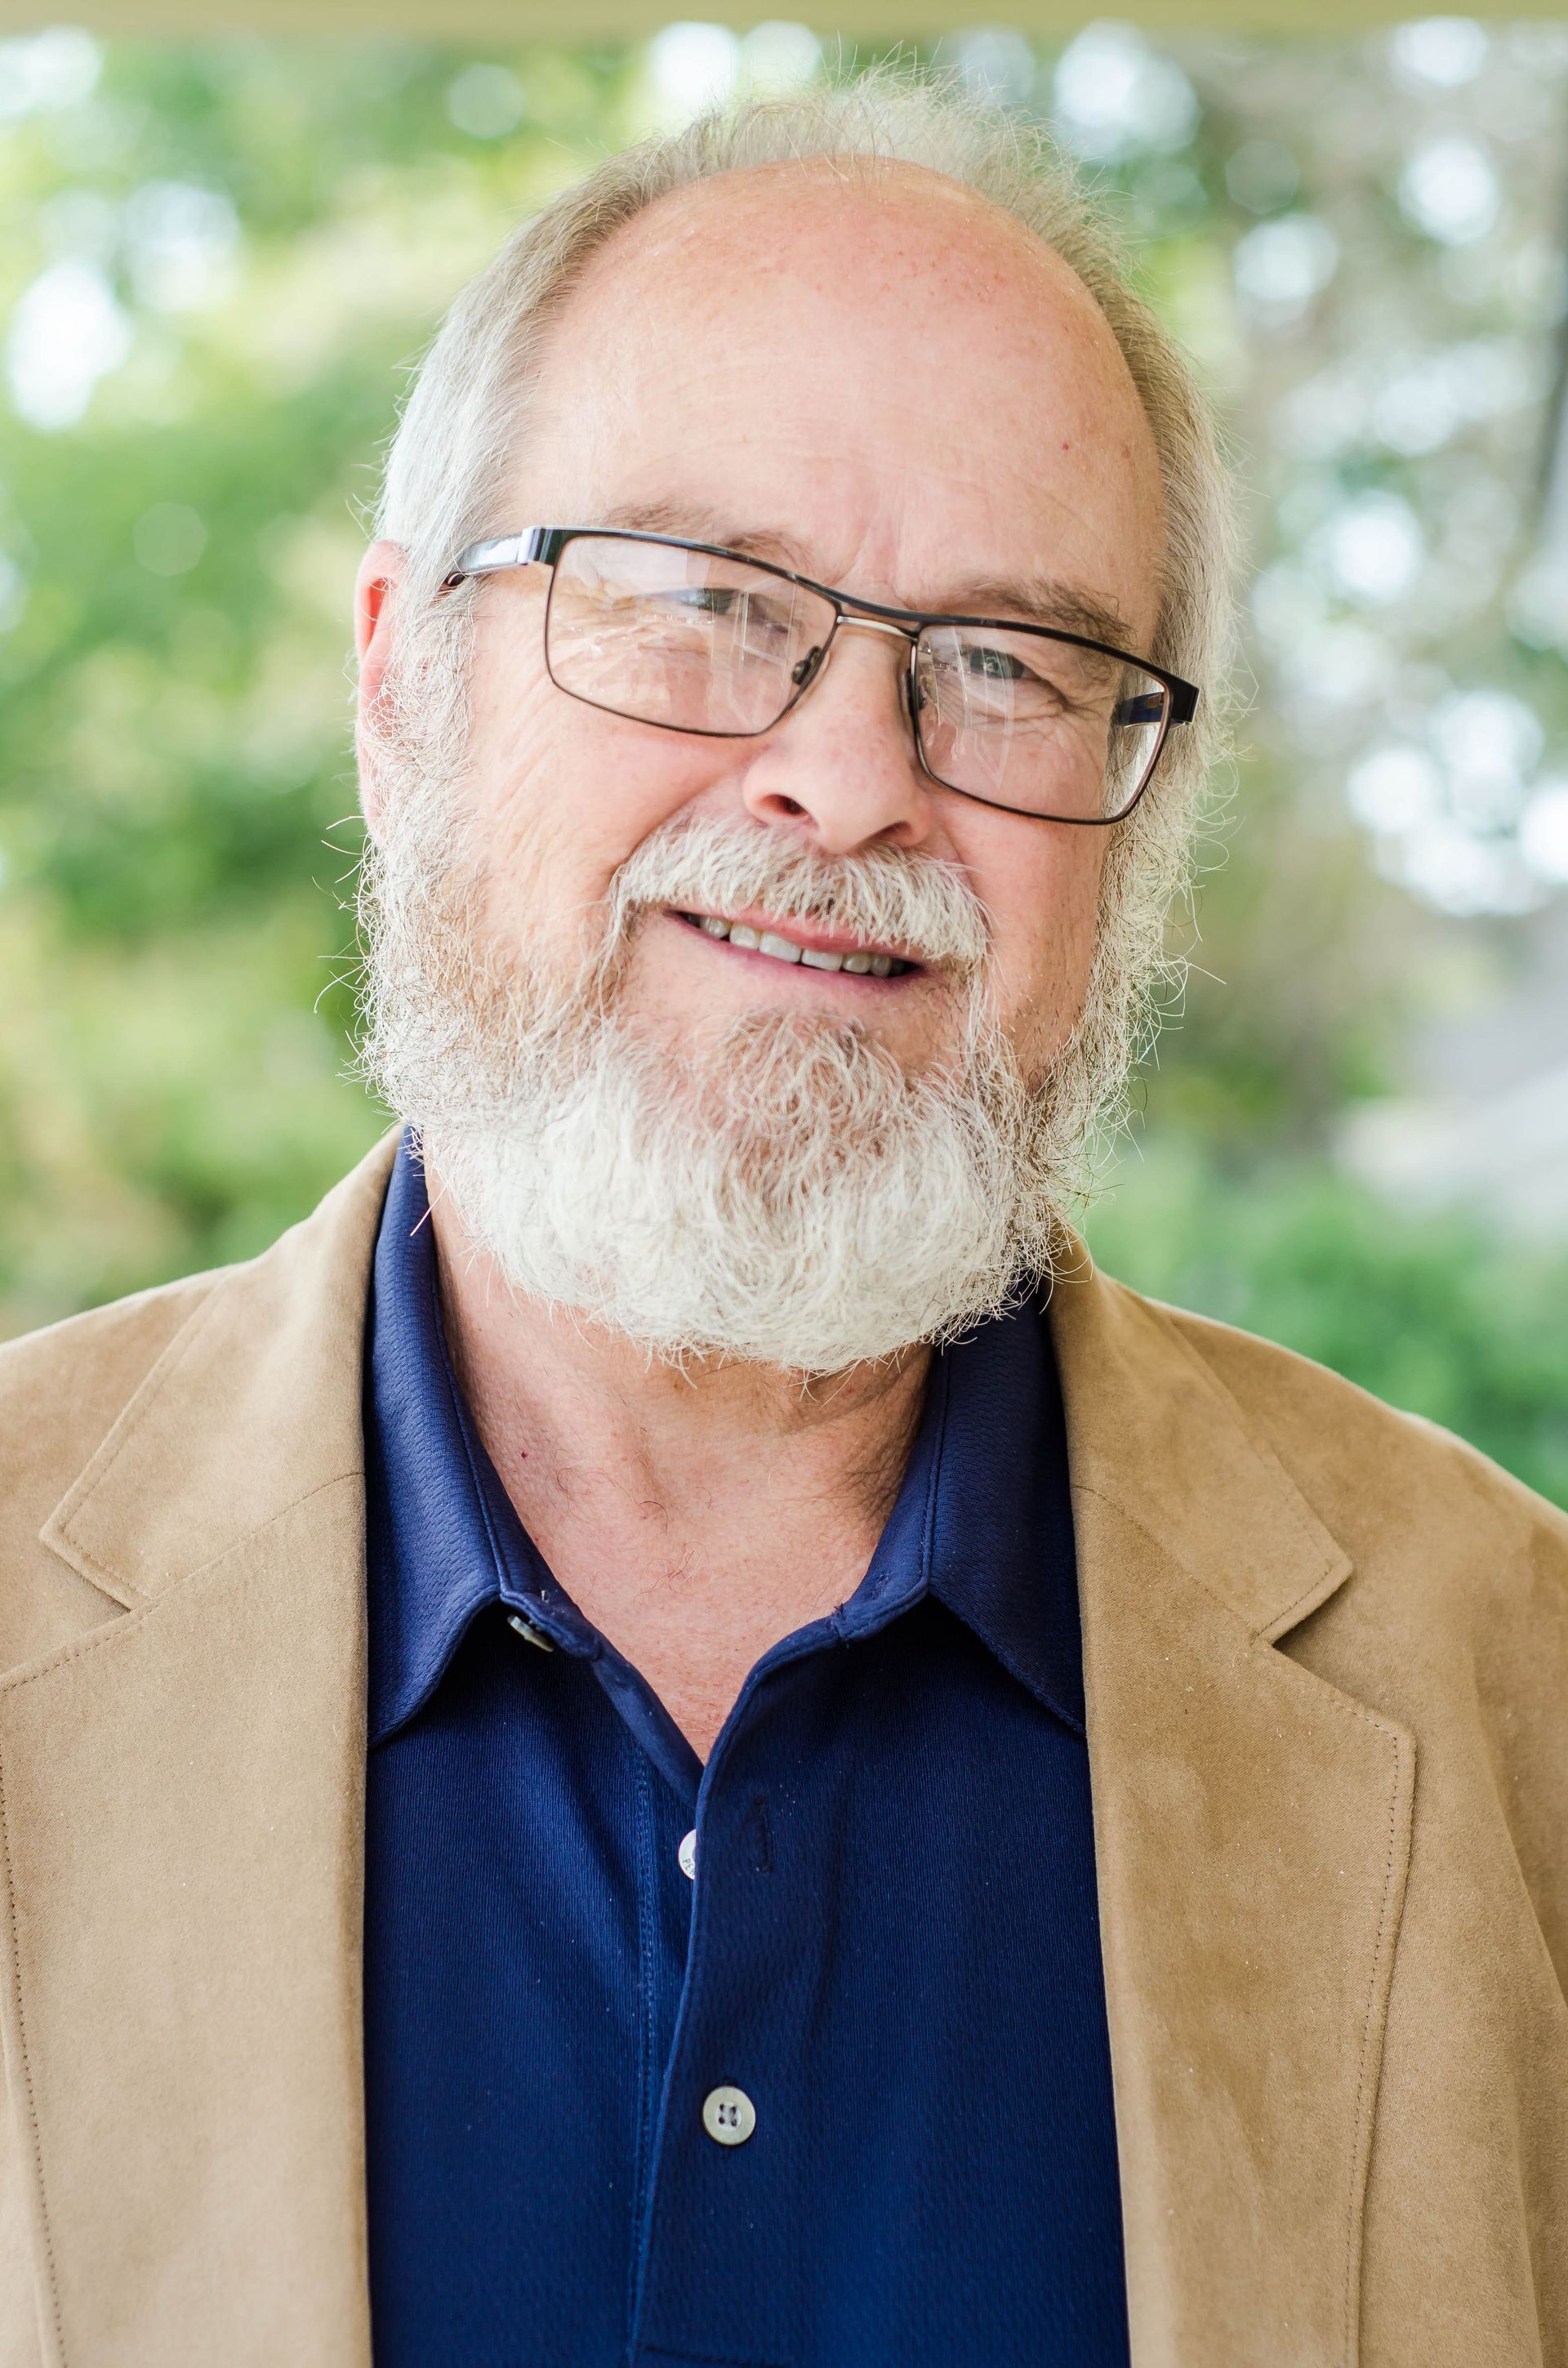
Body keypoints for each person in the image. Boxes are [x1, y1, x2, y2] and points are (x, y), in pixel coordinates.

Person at [0, 69, 1561, 2368]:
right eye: (705, 605)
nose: (846, 777)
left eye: (1011, 669)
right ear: (396, 685)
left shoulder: (1515, 1692)